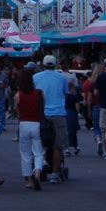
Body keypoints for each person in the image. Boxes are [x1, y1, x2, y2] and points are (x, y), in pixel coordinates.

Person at [33, 55, 69, 184]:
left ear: (42, 65)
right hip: (58, 113)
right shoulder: (62, 78)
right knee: (57, 146)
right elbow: (66, 93)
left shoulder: (35, 78)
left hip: (42, 113)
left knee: (40, 144)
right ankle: (54, 174)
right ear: (55, 65)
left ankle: (40, 166)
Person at [14, 69, 45, 191]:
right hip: (37, 123)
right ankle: (37, 172)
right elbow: (43, 107)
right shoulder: (39, 93)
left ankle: (29, 180)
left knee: (25, 153)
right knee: (38, 151)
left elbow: (16, 110)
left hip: (24, 124)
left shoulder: (18, 95)